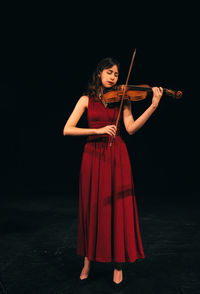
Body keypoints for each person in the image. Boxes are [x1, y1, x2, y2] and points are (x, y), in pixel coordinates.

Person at [63, 57, 163, 286]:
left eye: (116, 74)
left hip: (117, 156)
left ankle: (118, 265)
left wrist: (153, 106)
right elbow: (67, 129)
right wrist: (97, 129)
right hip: (92, 155)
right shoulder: (85, 100)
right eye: (109, 72)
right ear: (99, 73)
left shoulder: (123, 100)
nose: (113, 78)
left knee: (117, 210)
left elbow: (131, 128)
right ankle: (88, 262)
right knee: (91, 208)